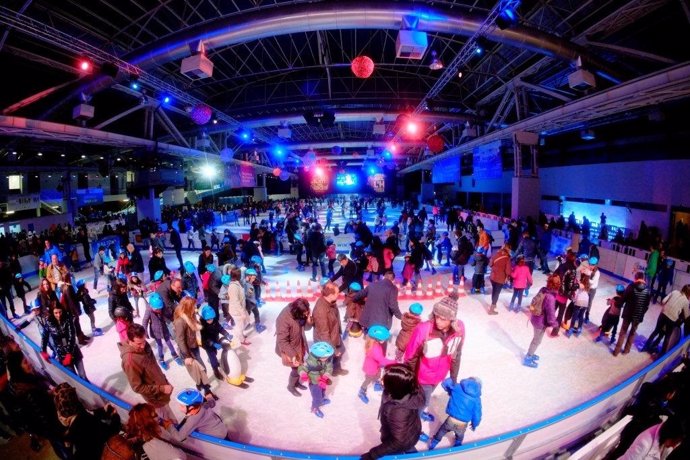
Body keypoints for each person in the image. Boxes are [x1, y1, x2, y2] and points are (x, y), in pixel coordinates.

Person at [404, 294, 464, 422]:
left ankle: (418, 414)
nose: (438, 321)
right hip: (422, 377)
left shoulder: (459, 329)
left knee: (425, 398)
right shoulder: (423, 329)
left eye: (444, 319)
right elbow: (410, 356)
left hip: (439, 375)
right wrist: (412, 379)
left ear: (452, 320)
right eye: (437, 316)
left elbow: (456, 354)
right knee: (423, 401)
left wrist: (453, 377)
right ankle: (415, 424)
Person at [360, 364, 425, 459]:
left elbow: (398, 442)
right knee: (408, 445)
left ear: (395, 386)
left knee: (398, 451)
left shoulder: (397, 411)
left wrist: (373, 454)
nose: (381, 380)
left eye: (385, 379)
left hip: (400, 440)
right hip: (411, 433)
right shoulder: (411, 388)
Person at [119, 323, 177, 422]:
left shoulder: (145, 346)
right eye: (139, 344)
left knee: (171, 418)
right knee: (169, 423)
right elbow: (137, 387)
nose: (142, 346)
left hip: (162, 392)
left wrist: (165, 381)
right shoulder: (130, 361)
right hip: (155, 398)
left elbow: (154, 367)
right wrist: (161, 388)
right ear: (130, 341)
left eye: (144, 341)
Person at [174, 297, 217, 401]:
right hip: (188, 351)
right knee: (201, 370)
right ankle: (207, 391)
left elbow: (196, 329)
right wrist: (187, 356)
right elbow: (180, 340)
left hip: (194, 346)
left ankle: (201, 386)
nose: (195, 308)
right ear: (188, 307)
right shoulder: (180, 321)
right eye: (193, 306)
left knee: (200, 370)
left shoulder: (191, 315)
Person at [427, 377, 482, 449]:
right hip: (462, 424)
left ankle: (433, 443)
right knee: (460, 435)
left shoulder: (457, 387)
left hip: (451, 420)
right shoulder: (477, 399)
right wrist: (474, 425)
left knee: (442, 431)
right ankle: (458, 444)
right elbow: (477, 415)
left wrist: (450, 389)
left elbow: (445, 382)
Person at [40, 303, 89, 381]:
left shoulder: (68, 320)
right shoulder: (49, 323)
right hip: (62, 355)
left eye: (60, 312)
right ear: (52, 313)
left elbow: (71, 337)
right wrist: (43, 350)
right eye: (56, 313)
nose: (58, 315)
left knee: (83, 376)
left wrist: (69, 353)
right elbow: (44, 336)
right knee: (75, 379)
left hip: (74, 352)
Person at [275, 297, 312, 397]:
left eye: (306, 312)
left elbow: (306, 328)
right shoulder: (284, 319)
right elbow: (282, 340)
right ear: (297, 312)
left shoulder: (301, 311)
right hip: (289, 347)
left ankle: (296, 383)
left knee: (298, 366)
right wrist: (292, 355)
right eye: (304, 313)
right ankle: (291, 386)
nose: (305, 314)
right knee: (296, 368)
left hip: (298, 343)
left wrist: (308, 319)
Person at [642, 285, 690, 355]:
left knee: (656, 331)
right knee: (667, 336)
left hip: (663, 313)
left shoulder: (675, 291)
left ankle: (645, 347)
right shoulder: (686, 301)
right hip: (672, 318)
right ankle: (662, 354)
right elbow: (686, 316)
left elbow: (663, 301)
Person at [312, 281, 348, 376]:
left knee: (341, 350)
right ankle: (323, 376)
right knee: (326, 359)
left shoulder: (330, 301)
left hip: (334, 334)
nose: (339, 294)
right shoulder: (321, 311)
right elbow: (324, 334)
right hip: (326, 340)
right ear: (330, 295)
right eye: (337, 293)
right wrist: (334, 350)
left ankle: (336, 369)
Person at [523, 274, 559, 368]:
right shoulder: (550, 297)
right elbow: (551, 313)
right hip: (540, 322)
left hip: (536, 318)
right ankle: (528, 357)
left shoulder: (543, 289)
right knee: (536, 340)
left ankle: (531, 353)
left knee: (537, 340)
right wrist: (555, 324)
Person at [613, 271, 652, 357]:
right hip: (638, 316)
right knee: (632, 333)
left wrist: (617, 304)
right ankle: (626, 350)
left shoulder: (631, 286)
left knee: (623, 332)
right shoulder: (648, 290)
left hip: (628, 314)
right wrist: (641, 313)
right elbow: (646, 306)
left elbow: (624, 299)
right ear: (643, 279)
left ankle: (616, 351)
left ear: (636, 278)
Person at [354, 269, 402, 336]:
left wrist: (353, 298)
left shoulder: (372, 284)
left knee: (369, 339)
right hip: (382, 321)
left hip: (368, 319)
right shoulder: (393, 288)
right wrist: (401, 316)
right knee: (378, 340)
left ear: (384, 276)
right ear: (393, 280)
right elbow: (393, 305)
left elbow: (360, 294)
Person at [142, 293, 182, 370]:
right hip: (155, 330)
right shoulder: (148, 310)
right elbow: (145, 321)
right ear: (152, 306)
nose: (159, 310)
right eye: (157, 309)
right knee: (160, 345)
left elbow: (168, 314)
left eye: (160, 308)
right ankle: (161, 359)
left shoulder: (162, 307)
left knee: (169, 343)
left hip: (164, 328)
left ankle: (175, 355)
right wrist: (145, 332)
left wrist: (173, 321)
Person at [358, 325, 396, 404]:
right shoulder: (375, 349)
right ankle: (362, 391)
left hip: (373, 365)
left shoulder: (373, 343)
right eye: (383, 339)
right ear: (378, 339)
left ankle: (376, 384)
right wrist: (393, 362)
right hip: (371, 369)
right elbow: (382, 360)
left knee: (377, 375)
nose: (385, 340)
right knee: (368, 380)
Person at [618, 416, 684, 460]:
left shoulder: (666, 441)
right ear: (668, 434)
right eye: (675, 442)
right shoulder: (645, 442)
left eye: (677, 443)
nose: (674, 446)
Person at [298, 342, 334, 418]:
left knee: (323, 391)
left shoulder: (325, 360)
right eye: (325, 357)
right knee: (316, 396)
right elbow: (301, 368)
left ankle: (322, 400)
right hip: (314, 382)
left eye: (327, 356)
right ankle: (315, 407)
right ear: (318, 356)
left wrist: (324, 377)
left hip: (323, 381)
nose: (327, 358)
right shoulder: (309, 362)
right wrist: (303, 374)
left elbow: (329, 368)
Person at [227, 268, 251, 346]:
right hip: (236, 311)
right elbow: (235, 302)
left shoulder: (237, 283)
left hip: (240, 308)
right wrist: (242, 312)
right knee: (239, 326)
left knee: (245, 322)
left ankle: (241, 335)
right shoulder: (233, 287)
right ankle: (241, 339)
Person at [488, 243, 512, 315]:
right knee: (496, 293)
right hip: (500, 278)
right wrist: (508, 277)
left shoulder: (496, 254)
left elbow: (490, 264)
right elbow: (508, 271)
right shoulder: (507, 258)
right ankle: (492, 309)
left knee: (494, 291)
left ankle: (493, 304)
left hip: (493, 276)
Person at [566, 273, 591, 338]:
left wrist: (573, 300)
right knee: (581, 316)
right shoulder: (588, 284)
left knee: (575, 316)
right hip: (585, 302)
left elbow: (576, 293)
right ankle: (579, 329)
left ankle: (571, 329)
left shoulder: (580, 284)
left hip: (579, 301)